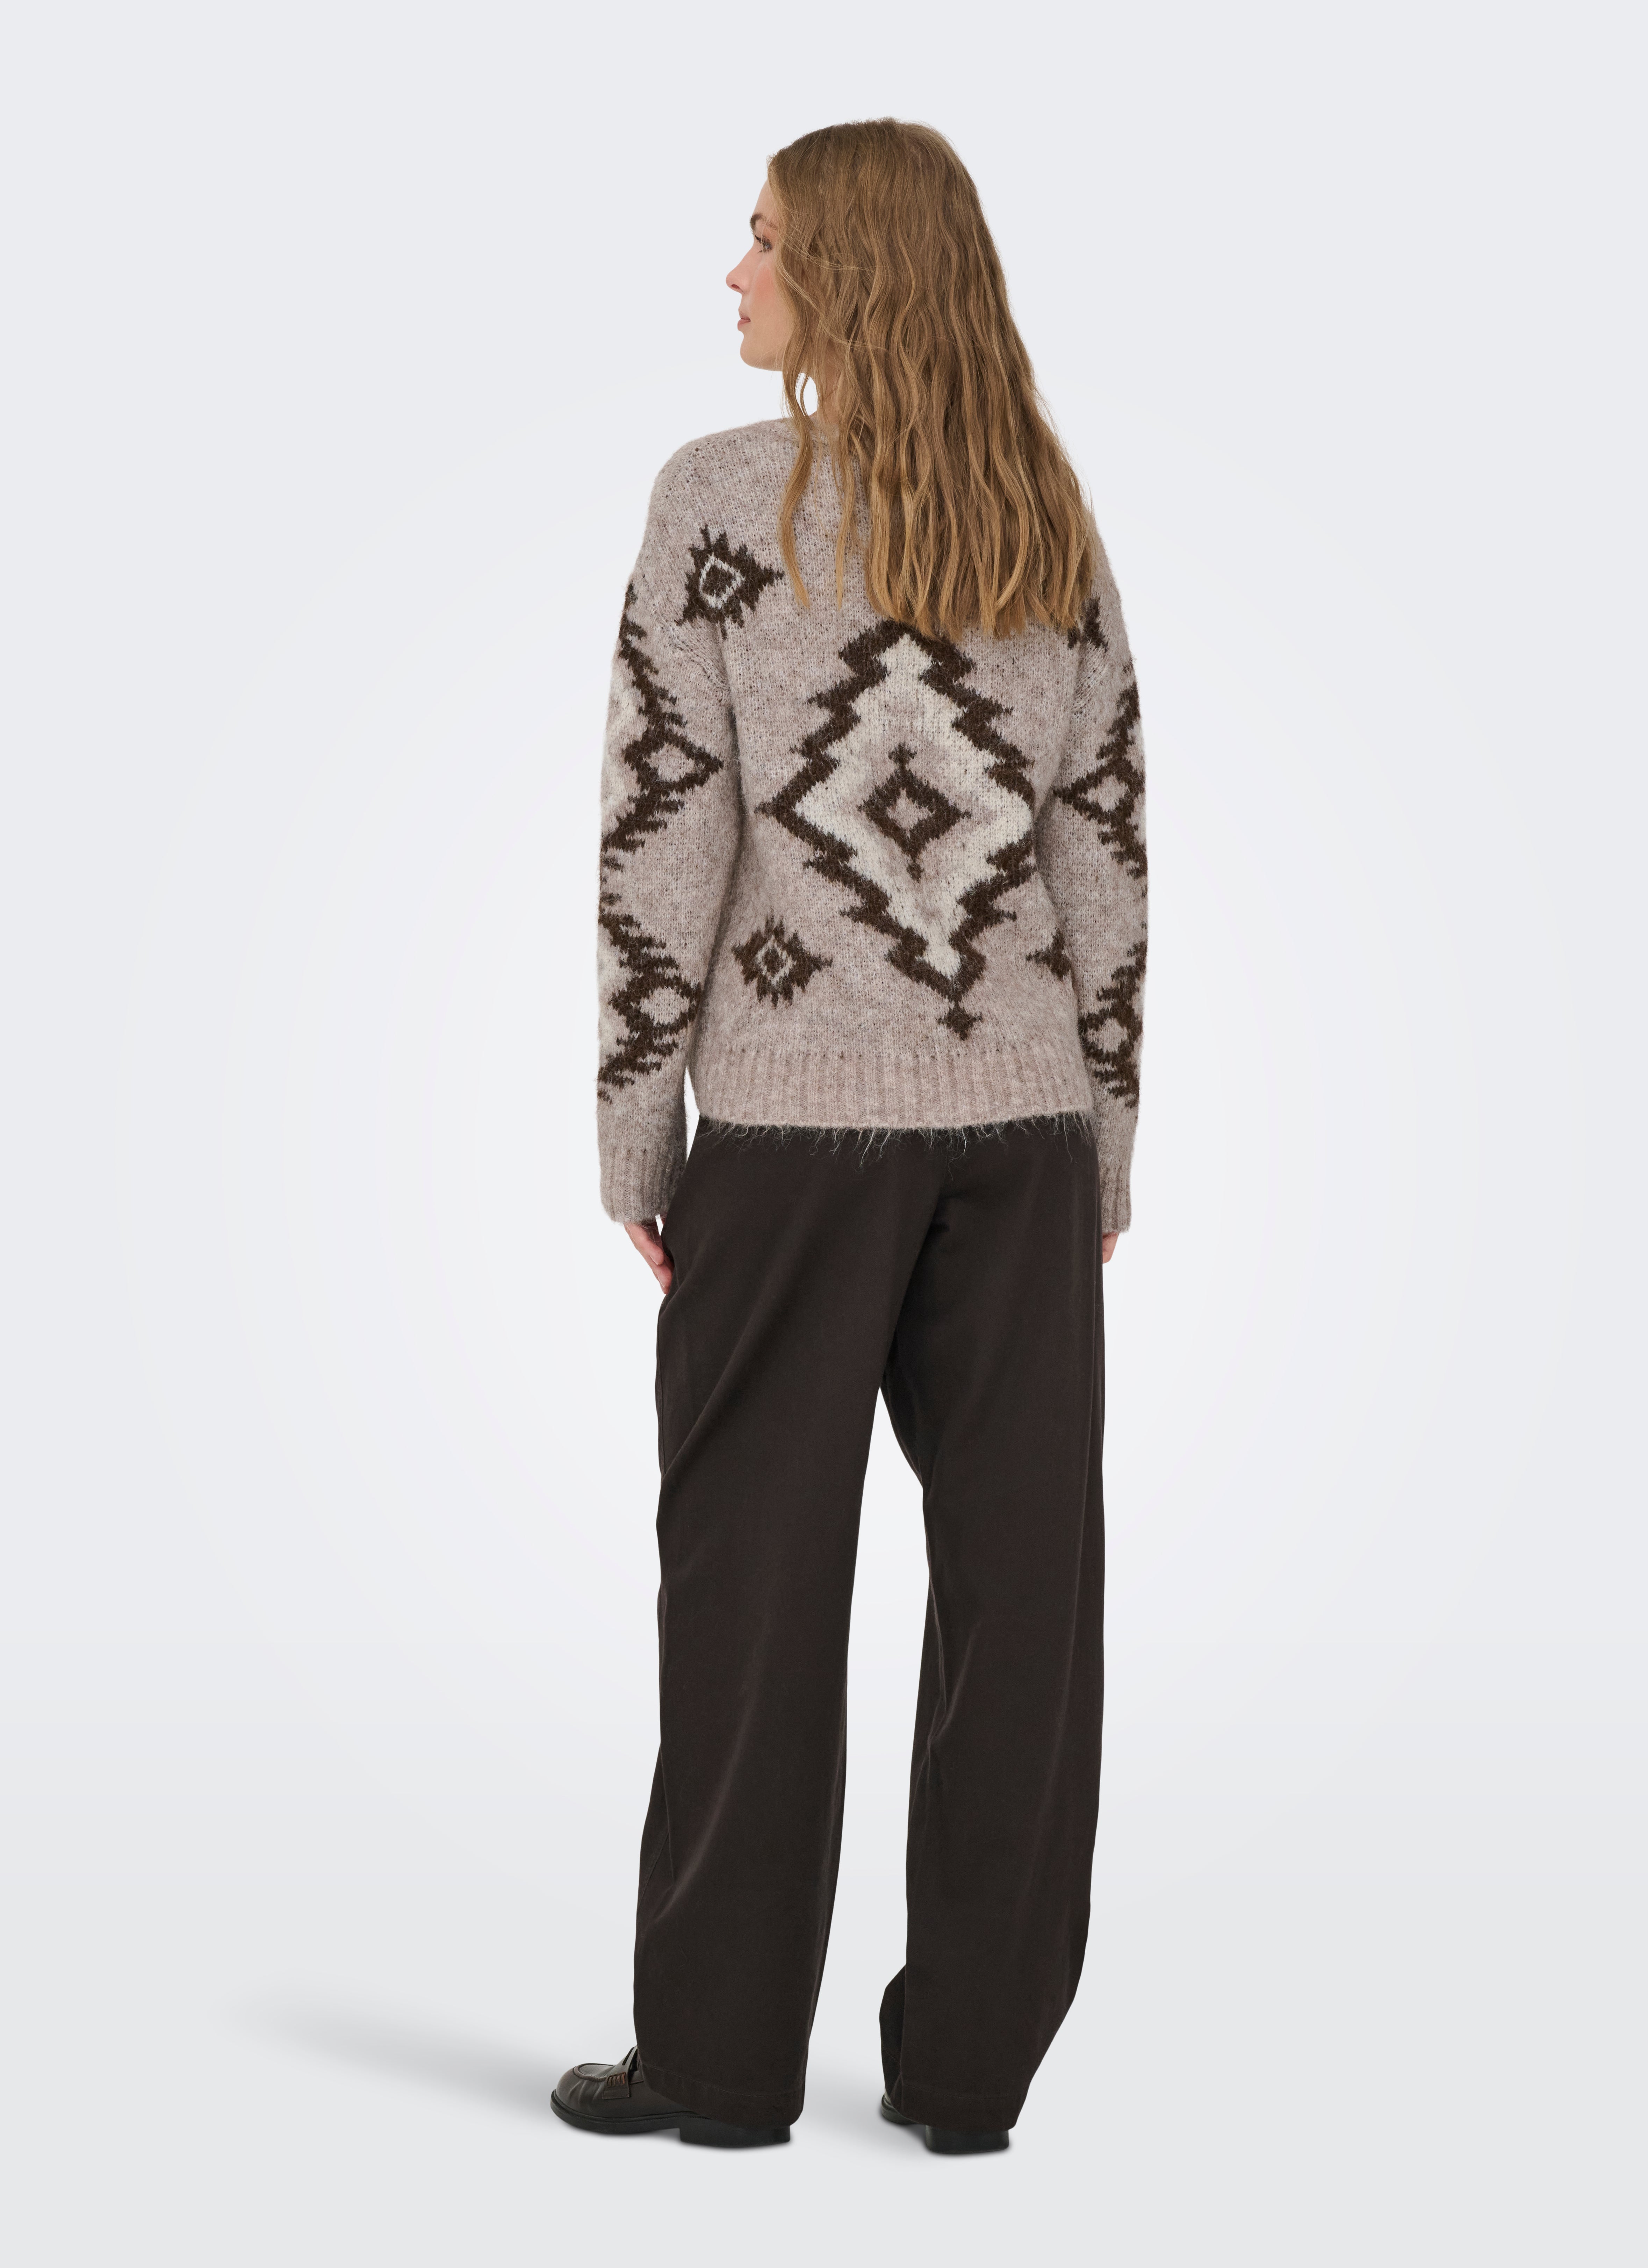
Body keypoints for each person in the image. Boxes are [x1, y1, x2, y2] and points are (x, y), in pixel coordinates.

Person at [553, 118, 1147, 2155]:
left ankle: (718, 2069)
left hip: (792, 1142)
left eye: (764, 240)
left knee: (749, 1592)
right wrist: (1105, 1138)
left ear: (847, 275)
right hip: (1022, 1133)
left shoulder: (722, 501)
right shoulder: (1038, 509)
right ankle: (970, 2079)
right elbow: (1103, 846)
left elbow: (662, 834)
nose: (735, 274)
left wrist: (636, 1124)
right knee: (1023, 1606)